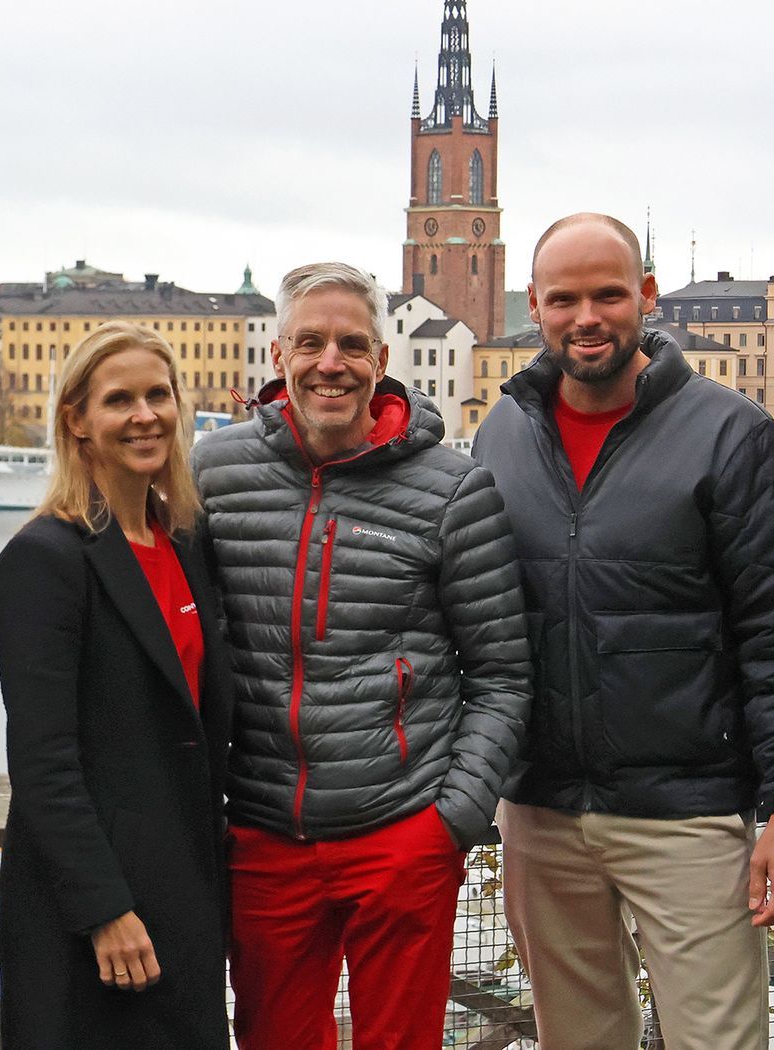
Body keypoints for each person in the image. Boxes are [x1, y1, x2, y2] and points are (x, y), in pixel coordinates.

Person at [469, 214, 774, 1050]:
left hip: (688, 813)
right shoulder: (503, 433)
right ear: (535, 305)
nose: (586, 317)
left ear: (647, 297)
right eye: (564, 299)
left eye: (608, 295)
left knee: (719, 1041)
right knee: (576, 1040)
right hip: (541, 810)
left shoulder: (730, 434)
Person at [192, 261, 532, 1050]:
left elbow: (502, 673)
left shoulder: (452, 489)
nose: (330, 363)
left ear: (381, 361)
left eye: (351, 345)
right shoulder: (216, 473)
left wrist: (451, 818)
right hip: (264, 831)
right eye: (310, 343)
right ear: (279, 355)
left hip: (401, 831)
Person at [0, 321, 233, 1048]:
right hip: (95, 914)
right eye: (120, 400)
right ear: (77, 420)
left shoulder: (185, 541)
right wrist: (104, 910)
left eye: (159, 395)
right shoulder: (45, 559)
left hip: (185, 887)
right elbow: (43, 761)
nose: (145, 416)